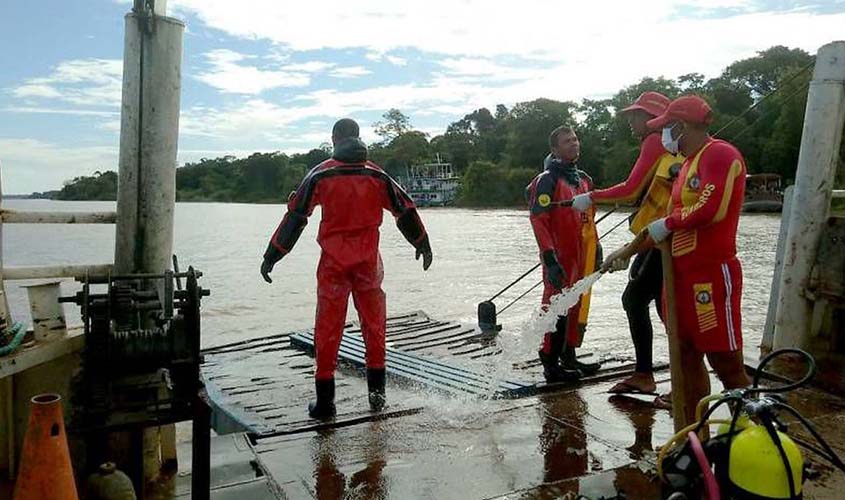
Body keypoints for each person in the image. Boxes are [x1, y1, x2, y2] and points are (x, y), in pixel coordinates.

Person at [260, 118, 433, 419]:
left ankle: (325, 404)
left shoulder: (321, 174)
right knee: (374, 326)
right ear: (357, 137)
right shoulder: (377, 175)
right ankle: (377, 399)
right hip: (368, 262)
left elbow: (296, 217)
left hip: (333, 265)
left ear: (334, 139)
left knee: (328, 328)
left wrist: (272, 255)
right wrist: (422, 243)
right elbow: (404, 209)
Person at [604, 95, 751, 424]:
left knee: (725, 361)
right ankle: (695, 433)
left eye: (667, 128)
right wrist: (626, 252)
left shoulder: (720, 154)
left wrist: (668, 223)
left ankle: (750, 429)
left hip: (711, 276)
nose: (664, 137)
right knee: (685, 355)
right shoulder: (685, 165)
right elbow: (662, 227)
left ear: (682, 126)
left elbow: (711, 209)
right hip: (679, 276)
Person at [571, 91, 682, 398]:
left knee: (644, 302)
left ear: (653, 118)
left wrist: (591, 197)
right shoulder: (666, 144)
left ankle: (660, 378)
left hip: (664, 239)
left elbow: (631, 190)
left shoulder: (654, 141)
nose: (631, 120)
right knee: (653, 303)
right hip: (658, 236)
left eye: (636, 114)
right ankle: (662, 376)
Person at [526, 125, 602, 382]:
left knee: (577, 304)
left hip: (582, 253)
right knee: (555, 306)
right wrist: (549, 257)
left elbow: (590, 218)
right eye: (567, 141)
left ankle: (569, 355)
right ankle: (550, 362)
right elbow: (538, 220)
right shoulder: (546, 180)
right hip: (559, 254)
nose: (574, 143)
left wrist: (597, 248)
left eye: (575, 139)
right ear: (555, 149)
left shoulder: (584, 180)